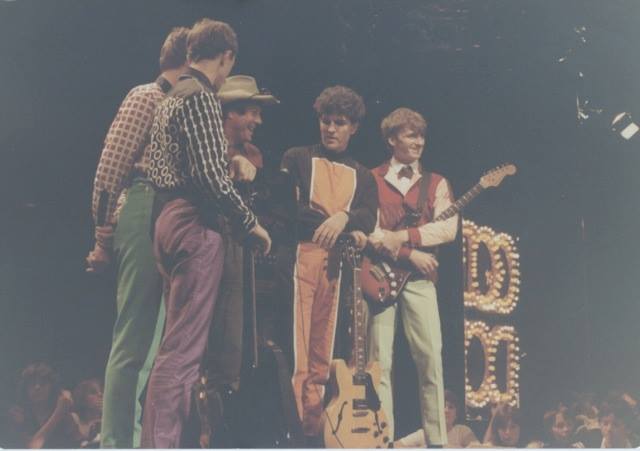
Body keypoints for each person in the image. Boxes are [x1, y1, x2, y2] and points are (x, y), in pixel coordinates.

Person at [140, 18, 271, 448]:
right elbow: (210, 180)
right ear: (226, 57)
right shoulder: (201, 97)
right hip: (194, 224)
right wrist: (250, 224)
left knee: (174, 346)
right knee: (183, 352)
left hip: (166, 219)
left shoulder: (171, 96)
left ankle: (159, 440)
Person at [85, 26, 190, 448]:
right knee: (135, 337)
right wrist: (102, 235)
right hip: (144, 206)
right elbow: (111, 169)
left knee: (152, 340)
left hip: (171, 213)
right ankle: (117, 441)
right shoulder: (146, 96)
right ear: (188, 59)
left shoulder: (181, 105)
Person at [280, 85, 378, 441]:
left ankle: (315, 429)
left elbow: (368, 216)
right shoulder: (297, 157)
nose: (331, 129)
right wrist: (334, 223)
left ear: (354, 127)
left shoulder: (362, 175)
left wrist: (344, 218)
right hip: (301, 259)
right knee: (299, 353)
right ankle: (294, 433)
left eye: (340, 122)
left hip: (336, 267)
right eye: (326, 120)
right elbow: (287, 208)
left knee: (324, 355)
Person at [362, 107, 457, 446]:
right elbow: (370, 230)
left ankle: (437, 441)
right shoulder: (370, 178)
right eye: (410, 135)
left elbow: (447, 229)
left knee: (430, 357)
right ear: (391, 139)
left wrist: (403, 237)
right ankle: (382, 440)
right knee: (379, 362)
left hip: (419, 281)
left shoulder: (436, 182)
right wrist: (410, 253)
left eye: (421, 136)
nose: (418, 142)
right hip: (380, 276)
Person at [198, 75, 279, 446]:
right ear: (229, 113)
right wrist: (230, 160)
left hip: (236, 250)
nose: (258, 121)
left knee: (231, 343)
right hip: (202, 243)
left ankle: (219, 429)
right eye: (251, 112)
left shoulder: (253, 154)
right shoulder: (205, 147)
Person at [6, 363, 79, 449]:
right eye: (32, 383)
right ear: (25, 388)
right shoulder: (18, 414)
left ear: (52, 388)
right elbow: (30, 448)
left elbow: (77, 444)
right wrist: (58, 412)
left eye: (43, 383)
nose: (37, 387)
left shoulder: (64, 415)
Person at [394, 389, 478, 448]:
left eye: (451, 407)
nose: (446, 410)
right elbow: (395, 445)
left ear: (456, 414)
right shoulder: (425, 434)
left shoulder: (462, 431)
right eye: (443, 406)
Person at [71, 379, 103, 448]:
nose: (100, 394)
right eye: (93, 392)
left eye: (101, 391)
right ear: (82, 399)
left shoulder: (108, 422)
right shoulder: (74, 419)